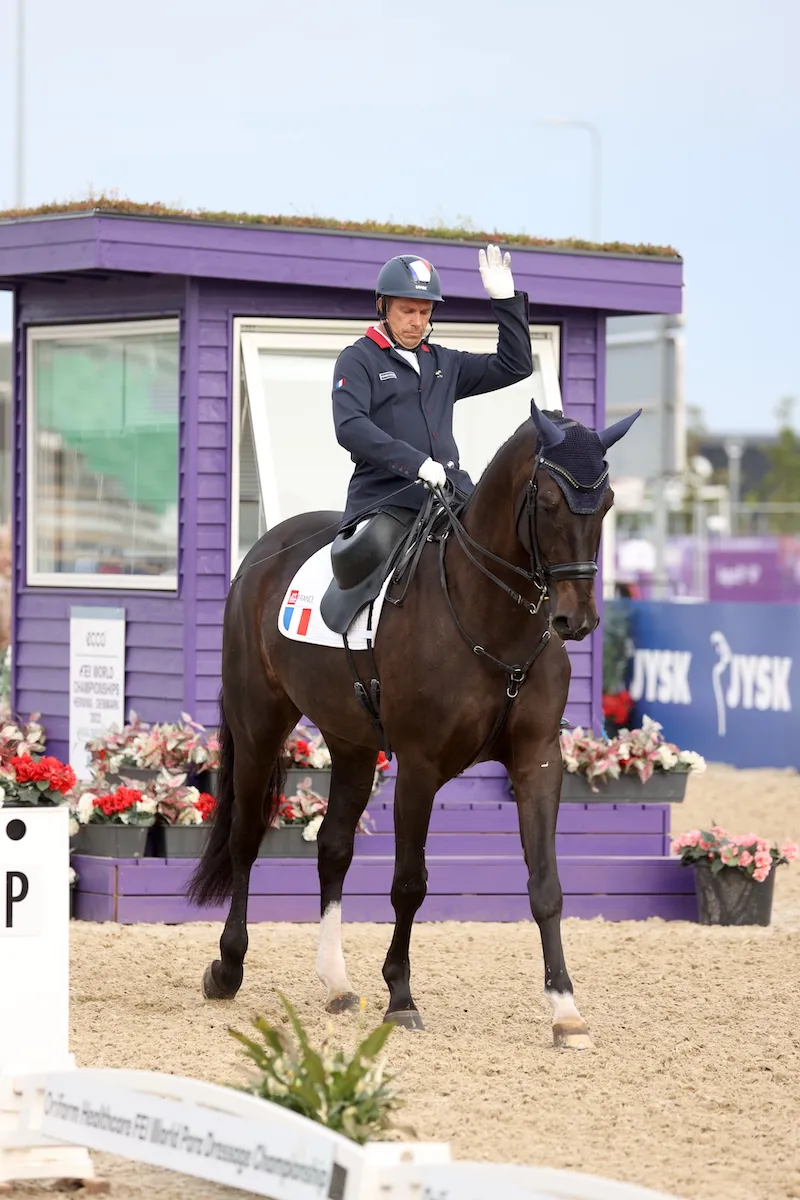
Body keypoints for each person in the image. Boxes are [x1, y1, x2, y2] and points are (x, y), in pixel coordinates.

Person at [331, 243, 534, 528]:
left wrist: (505, 302)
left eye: (425, 312)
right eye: (407, 311)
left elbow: (516, 366)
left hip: (454, 496)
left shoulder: (445, 361)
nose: (417, 322)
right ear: (382, 306)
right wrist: (416, 464)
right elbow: (350, 427)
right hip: (386, 502)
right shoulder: (358, 358)